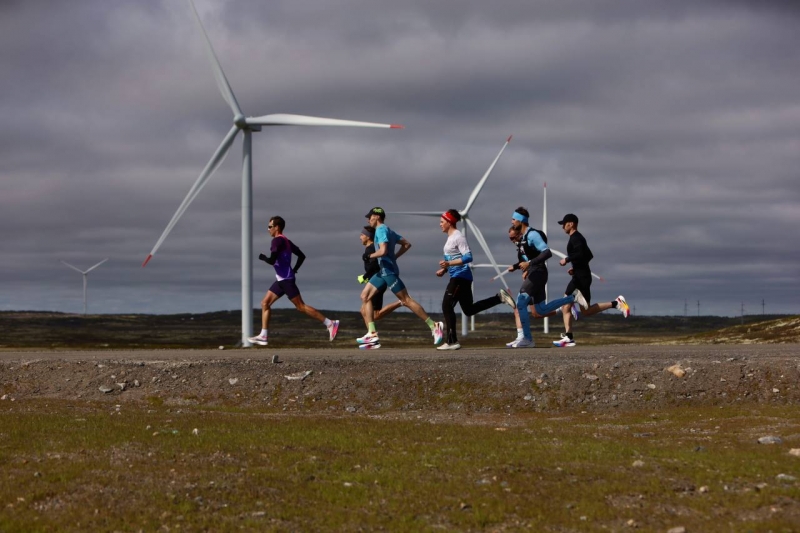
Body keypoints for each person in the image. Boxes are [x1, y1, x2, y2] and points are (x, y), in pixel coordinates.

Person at [358, 207, 443, 349]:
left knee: (406, 300)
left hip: (388, 271)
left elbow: (383, 250)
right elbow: (407, 244)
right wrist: (395, 257)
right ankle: (372, 333)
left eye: (370, 217)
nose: (368, 219)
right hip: (382, 271)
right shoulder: (389, 230)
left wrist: (369, 255)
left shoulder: (381, 230)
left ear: (377, 217)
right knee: (365, 296)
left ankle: (434, 325)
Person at [247, 216, 339, 346]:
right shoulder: (286, 241)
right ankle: (263, 335)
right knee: (265, 303)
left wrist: (263, 258)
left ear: (277, 227)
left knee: (301, 307)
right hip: (282, 279)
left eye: (269, 227)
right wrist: (294, 269)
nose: (268, 229)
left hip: (286, 280)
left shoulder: (276, 241)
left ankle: (330, 323)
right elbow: (302, 256)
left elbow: (272, 260)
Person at [435, 209, 516, 350]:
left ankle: (452, 341)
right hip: (459, 276)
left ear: (449, 222)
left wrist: (449, 264)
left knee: (446, 306)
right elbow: (453, 258)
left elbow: (468, 257)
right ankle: (499, 298)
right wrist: (445, 269)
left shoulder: (458, 237)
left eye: (442, 222)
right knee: (469, 310)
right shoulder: (450, 238)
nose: (440, 224)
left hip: (460, 277)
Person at [508, 207, 587, 348]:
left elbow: (547, 252)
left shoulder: (532, 235)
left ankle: (527, 339)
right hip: (535, 272)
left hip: (538, 273)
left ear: (520, 220)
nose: (512, 221)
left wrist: (529, 264)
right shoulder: (525, 237)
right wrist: (519, 266)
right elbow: (528, 258)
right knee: (540, 310)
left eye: (513, 219)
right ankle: (572, 298)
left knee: (521, 302)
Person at [553, 213, 630, 347]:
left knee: (565, 303)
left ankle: (569, 337)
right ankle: (616, 303)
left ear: (571, 224)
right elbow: (588, 255)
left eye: (564, 224)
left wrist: (567, 259)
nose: (562, 227)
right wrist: (576, 267)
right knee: (585, 311)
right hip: (581, 275)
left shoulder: (576, 238)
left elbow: (581, 254)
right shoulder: (578, 238)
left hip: (580, 278)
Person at [359, 225, 403, 321]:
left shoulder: (371, 249)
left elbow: (375, 266)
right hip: (373, 281)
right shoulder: (369, 248)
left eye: (362, 235)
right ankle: (371, 333)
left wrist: (365, 276)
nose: (360, 237)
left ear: (368, 236)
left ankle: (400, 302)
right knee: (363, 310)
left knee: (375, 315)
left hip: (376, 282)